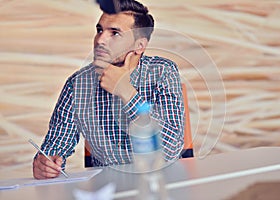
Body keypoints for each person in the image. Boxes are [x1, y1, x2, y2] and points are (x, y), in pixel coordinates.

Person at [32, 0, 184, 179]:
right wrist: (45, 164)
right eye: (99, 30)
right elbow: (54, 148)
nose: (100, 40)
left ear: (139, 45)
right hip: (108, 188)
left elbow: (168, 151)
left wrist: (125, 91)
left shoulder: (163, 72)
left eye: (115, 33)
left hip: (162, 183)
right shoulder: (77, 84)